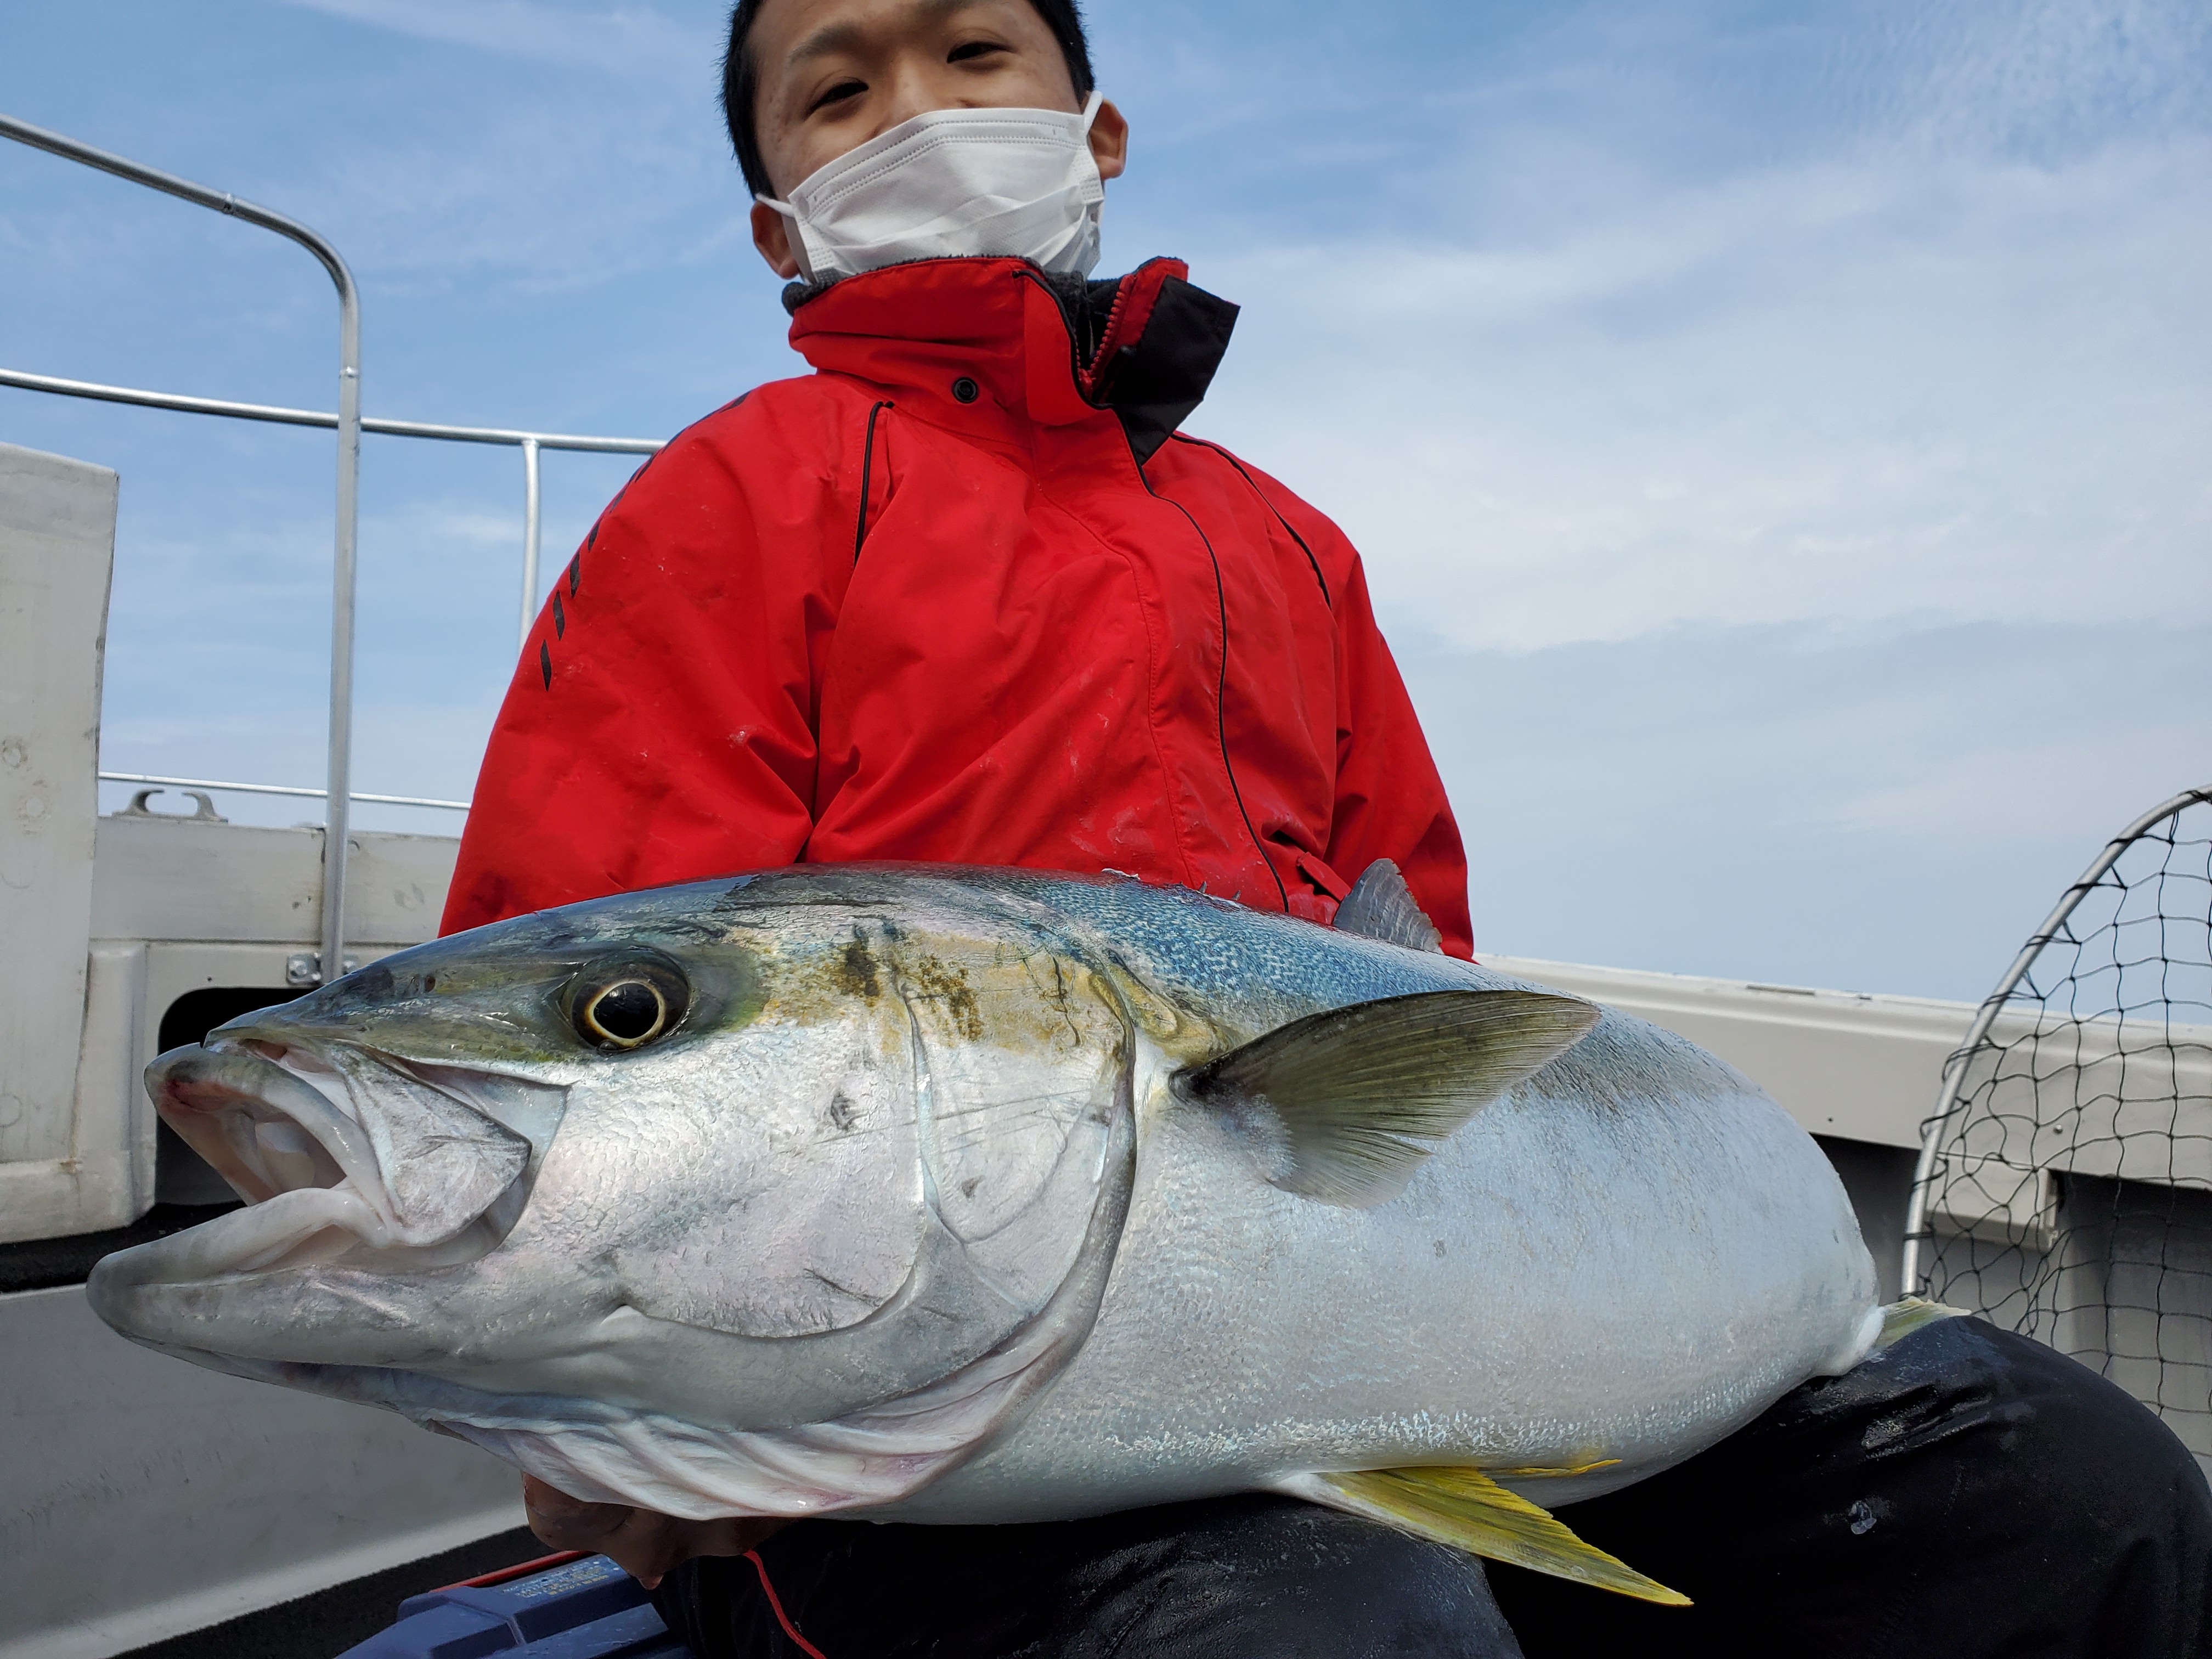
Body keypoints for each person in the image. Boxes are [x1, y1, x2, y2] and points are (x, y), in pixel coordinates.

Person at [444, 1, 2212, 1653]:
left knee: (2074, 1497)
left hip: (1337, 1355)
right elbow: (617, 978)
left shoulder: (1284, 542)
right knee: (1336, 1624)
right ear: (780, 227)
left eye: (977, 50)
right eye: (837, 92)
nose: (917, 112)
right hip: (903, 1447)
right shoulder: (733, 501)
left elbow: (1413, 969)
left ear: (1096, 131)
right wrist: (599, 1387)